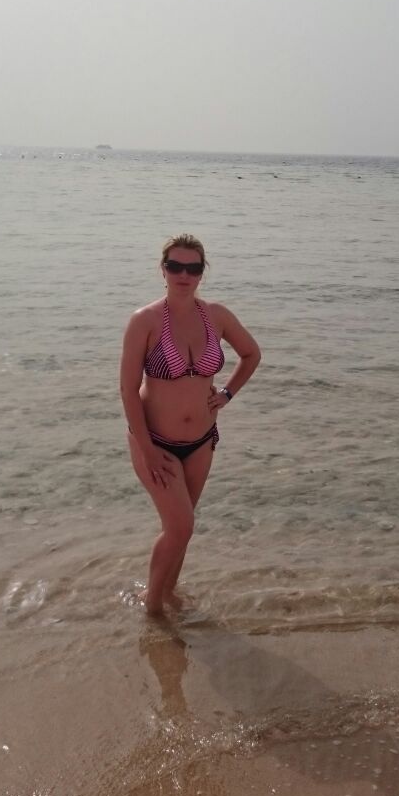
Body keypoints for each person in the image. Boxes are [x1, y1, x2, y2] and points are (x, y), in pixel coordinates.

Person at [120, 234, 261, 616]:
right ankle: (152, 609)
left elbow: (251, 354)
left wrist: (227, 394)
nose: (184, 275)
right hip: (155, 442)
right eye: (175, 266)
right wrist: (147, 450)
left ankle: (169, 594)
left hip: (201, 441)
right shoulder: (145, 320)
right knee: (180, 527)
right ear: (163, 270)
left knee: (183, 528)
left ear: (202, 272)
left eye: (193, 268)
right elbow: (128, 390)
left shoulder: (216, 316)